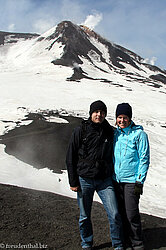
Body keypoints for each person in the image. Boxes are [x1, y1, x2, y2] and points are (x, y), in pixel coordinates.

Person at [66, 100, 124, 250]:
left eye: (102, 112)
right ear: (91, 113)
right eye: (96, 112)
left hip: (104, 180)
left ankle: (117, 244)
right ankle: (87, 244)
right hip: (84, 179)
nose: (99, 114)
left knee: (115, 214)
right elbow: (70, 155)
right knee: (84, 216)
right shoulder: (81, 130)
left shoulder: (110, 131)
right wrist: (73, 181)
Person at [113, 103, 150, 250]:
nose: (122, 120)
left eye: (125, 117)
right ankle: (125, 240)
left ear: (130, 118)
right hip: (116, 180)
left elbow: (144, 158)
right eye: (119, 117)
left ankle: (137, 242)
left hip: (131, 181)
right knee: (120, 213)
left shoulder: (139, 135)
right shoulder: (115, 134)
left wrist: (139, 182)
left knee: (131, 213)